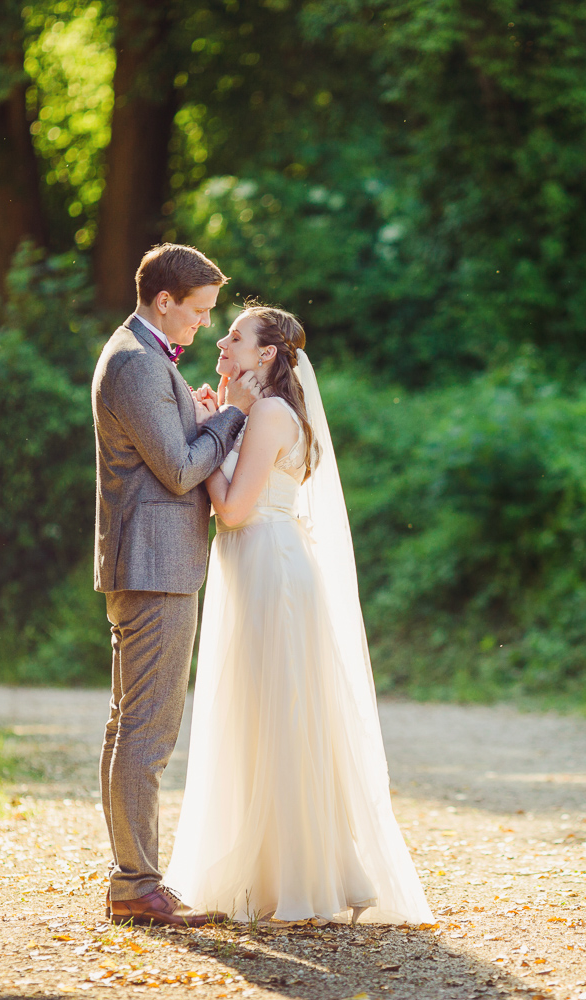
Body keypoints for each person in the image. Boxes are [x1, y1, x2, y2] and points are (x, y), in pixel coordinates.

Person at [163, 303, 433, 925]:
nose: (222, 342)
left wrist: (207, 436)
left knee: (278, 715)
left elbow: (231, 510)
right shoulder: (257, 412)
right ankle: (271, 871)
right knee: (259, 714)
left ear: (265, 355)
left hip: (272, 571)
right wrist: (220, 422)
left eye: (235, 336)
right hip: (257, 566)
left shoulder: (274, 415)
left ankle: (299, 878)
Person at [90, 244, 263, 927]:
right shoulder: (135, 361)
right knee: (148, 731)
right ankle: (137, 885)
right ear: (164, 301)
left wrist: (196, 412)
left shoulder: (140, 354)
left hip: (151, 563)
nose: (201, 327)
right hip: (155, 567)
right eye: (197, 312)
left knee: (128, 726)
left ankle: (131, 879)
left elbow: (165, 446)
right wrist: (231, 414)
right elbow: (180, 470)